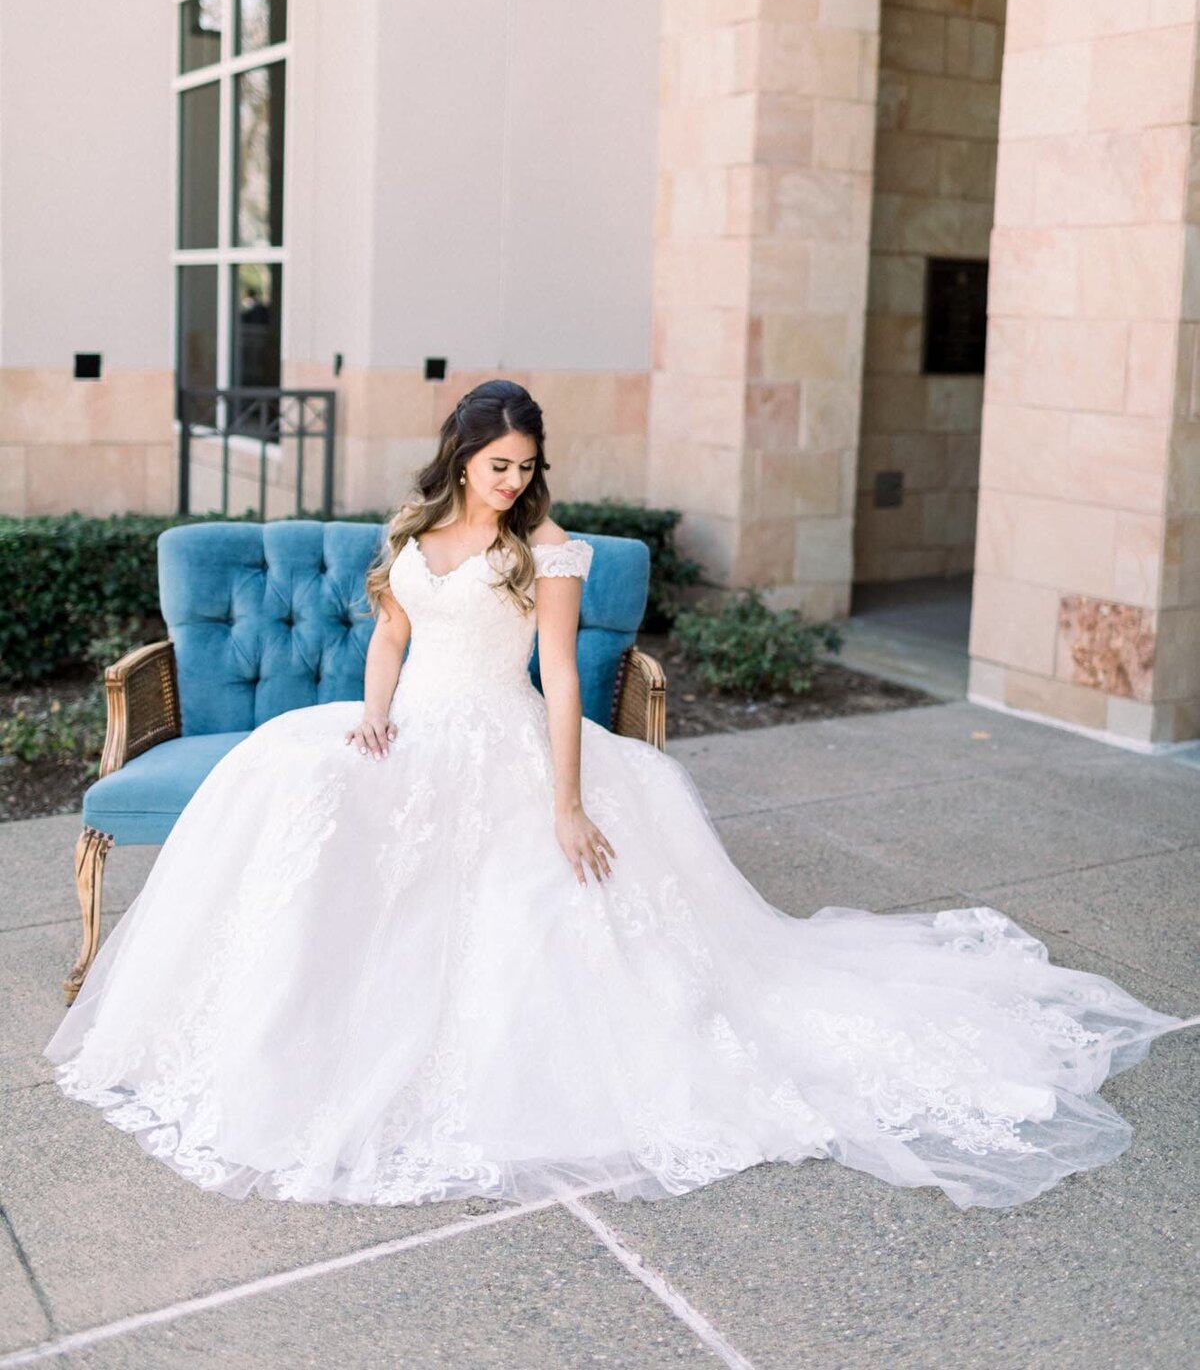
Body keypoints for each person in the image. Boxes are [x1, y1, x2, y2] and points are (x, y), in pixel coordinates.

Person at [45, 379, 1200, 1212]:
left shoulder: (543, 553)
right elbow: (392, 634)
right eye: (498, 466)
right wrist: (374, 708)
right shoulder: (412, 535)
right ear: (458, 460)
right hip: (407, 729)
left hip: (505, 734)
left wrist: (568, 800)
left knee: (528, 906)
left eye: (526, 469)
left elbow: (555, 686)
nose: (514, 483)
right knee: (301, 803)